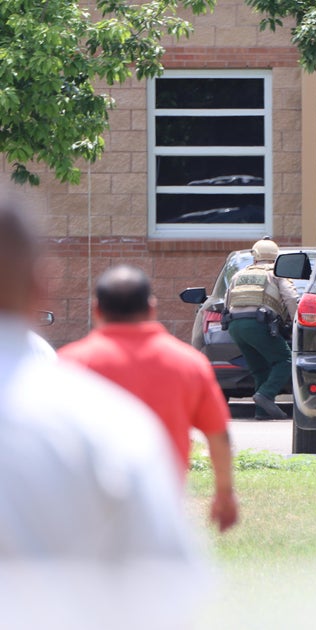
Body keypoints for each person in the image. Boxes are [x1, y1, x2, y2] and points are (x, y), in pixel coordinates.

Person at [0, 189, 205, 627]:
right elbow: (165, 592)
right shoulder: (107, 422)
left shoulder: (79, 364)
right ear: (44, 285)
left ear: (96, 309)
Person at [59, 264, 239, 533]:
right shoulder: (188, 363)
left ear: (96, 310)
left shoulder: (70, 364)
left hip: (84, 512)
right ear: (151, 308)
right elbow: (218, 434)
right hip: (161, 508)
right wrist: (224, 493)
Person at [224, 238, 300, 420]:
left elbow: (227, 301)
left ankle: (262, 412)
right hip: (259, 324)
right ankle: (265, 394)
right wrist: (297, 321)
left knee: (260, 369)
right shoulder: (277, 273)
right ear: (276, 257)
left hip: (235, 326)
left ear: (255, 257)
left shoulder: (239, 275)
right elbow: (290, 297)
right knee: (286, 360)